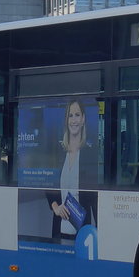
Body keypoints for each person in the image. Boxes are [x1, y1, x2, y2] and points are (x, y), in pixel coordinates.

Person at [49, 99, 98, 239]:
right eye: (70, 115)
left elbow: (94, 196)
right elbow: (50, 185)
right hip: (60, 228)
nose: (74, 120)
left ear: (83, 119)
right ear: (66, 120)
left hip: (82, 230)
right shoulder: (59, 152)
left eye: (77, 115)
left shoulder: (90, 154)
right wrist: (56, 207)